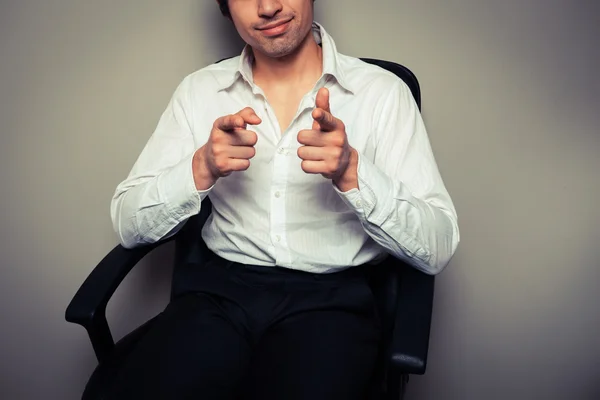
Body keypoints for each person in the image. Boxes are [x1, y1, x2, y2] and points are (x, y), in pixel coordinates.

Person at [106, 0, 459, 398]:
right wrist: (200, 166)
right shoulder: (199, 91)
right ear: (225, 8)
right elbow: (128, 223)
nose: (268, 6)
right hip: (218, 293)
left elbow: (437, 245)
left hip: (331, 303)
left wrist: (352, 172)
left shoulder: (382, 94)